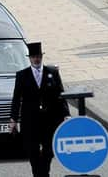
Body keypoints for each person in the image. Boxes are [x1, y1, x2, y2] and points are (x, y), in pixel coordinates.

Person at [10, 42, 70, 177]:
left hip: (50, 120)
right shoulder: (22, 75)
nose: (36, 59)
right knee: (33, 151)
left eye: (38, 56)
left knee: (49, 150)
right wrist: (13, 119)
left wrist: (66, 114)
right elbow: (16, 98)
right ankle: (39, 174)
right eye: (33, 57)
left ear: (41, 57)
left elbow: (61, 95)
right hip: (31, 121)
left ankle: (44, 172)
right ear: (29, 58)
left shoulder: (52, 72)